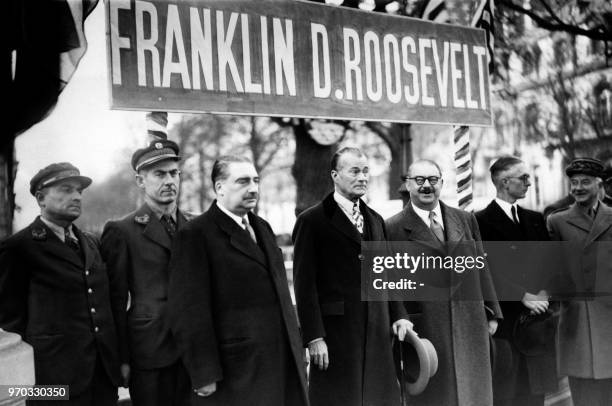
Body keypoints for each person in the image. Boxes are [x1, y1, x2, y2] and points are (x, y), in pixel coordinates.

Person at [167, 155, 308, 406]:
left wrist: (297, 348)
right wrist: (203, 373)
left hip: (280, 361)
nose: (253, 188)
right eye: (242, 181)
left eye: (255, 180)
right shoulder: (195, 234)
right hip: (236, 370)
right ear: (219, 188)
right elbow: (189, 311)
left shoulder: (262, 227)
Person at [292, 147, 411, 406]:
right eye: (354, 171)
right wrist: (314, 337)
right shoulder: (311, 221)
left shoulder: (376, 220)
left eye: (366, 171)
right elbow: (304, 285)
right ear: (335, 175)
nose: (362, 177)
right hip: (336, 338)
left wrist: (400, 315)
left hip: (378, 335)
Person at [0, 162, 126, 405]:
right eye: (66, 190)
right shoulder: (19, 248)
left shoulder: (91, 242)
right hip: (52, 381)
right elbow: (10, 318)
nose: (76, 196)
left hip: (102, 375)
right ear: (41, 198)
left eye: (79, 191)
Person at [385, 159, 502, 406]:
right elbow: (390, 282)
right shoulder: (392, 228)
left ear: (441, 183)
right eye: (419, 180)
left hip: (470, 324)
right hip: (427, 327)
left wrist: (492, 312)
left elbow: (481, 265)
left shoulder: (464, 219)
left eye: (433, 180)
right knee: (439, 397)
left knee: (474, 395)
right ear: (408, 185)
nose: (426, 186)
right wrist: (401, 318)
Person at [100, 139, 192, 406]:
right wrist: (123, 359)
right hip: (149, 351)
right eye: (159, 174)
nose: (169, 181)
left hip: (193, 350)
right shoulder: (122, 231)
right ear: (141, 181)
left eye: (174, 173)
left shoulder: (195, 226)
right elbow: (115, 302)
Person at [475, 156, 557, 406]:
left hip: (537, 326)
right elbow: (483, 271)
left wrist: (544, 292)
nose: (528, 183)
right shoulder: (479, 221)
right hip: (506, 325)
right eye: (523, 178)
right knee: (506, 395)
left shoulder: (534, 218)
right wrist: (523, 296)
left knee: (535, 396)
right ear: (503, 182)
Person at [547, 157, 612, 406]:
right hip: (578, 324)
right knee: (584, 395)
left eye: (585, 182)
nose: (578, 188)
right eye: (574, 183)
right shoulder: (557, 221)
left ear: (599, 184)